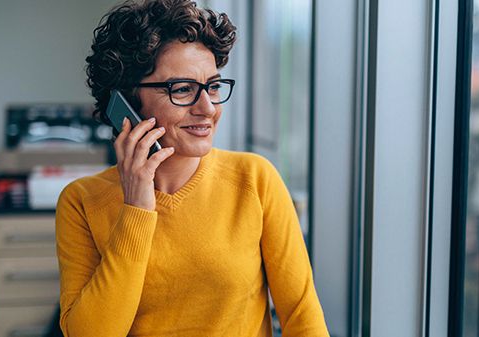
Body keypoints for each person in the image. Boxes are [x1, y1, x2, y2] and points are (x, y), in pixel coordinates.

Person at [55, 0, 330, 336]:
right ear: (126, 102)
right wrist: (137, 209)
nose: (208, 108)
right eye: (182, 89)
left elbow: (304, 319)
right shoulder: (81, 201)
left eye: (213, 86)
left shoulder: (256, 179)